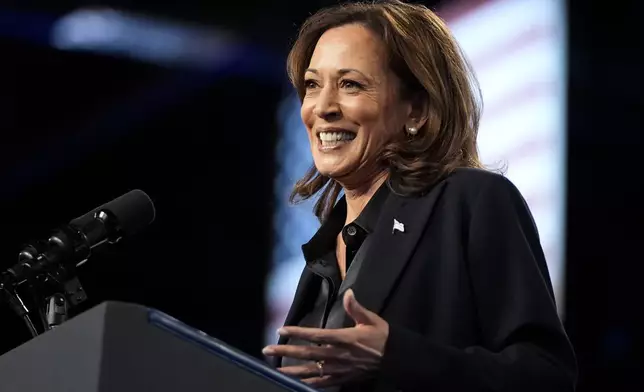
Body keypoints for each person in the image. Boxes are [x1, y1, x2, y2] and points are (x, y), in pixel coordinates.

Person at [262, 1, 577, 391]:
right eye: (313, 84)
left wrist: (397, 356)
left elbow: (547, 376)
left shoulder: (472, 201)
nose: (322, 107)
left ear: (417, 110)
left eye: (350, 84)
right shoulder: (321, 256)